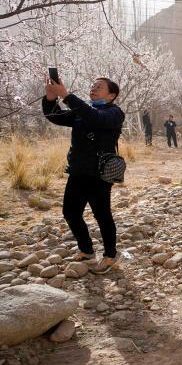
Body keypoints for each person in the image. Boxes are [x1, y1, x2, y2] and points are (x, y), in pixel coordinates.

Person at [42, 75, 125, 274]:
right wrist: (51, 98)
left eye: (99, 87)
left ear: (111, 95)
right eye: (93, 86)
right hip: (78, 171)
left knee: (102, 214)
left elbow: (95, 118)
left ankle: (111, 255)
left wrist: (67, 95)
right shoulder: (82, 111)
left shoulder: (114, 113)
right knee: (70, 212)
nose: (93, 88)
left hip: (99, 174)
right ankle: (87, 251)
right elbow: (55, 117)